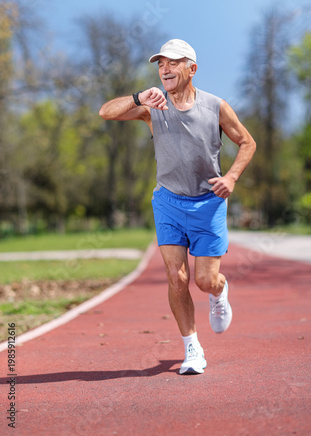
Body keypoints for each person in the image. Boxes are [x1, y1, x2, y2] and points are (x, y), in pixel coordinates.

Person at [99, 39, 256, 375]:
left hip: (208, 203)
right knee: (175, 276)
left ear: (191, 69)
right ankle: (192, 349)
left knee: (204, 280)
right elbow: (105, 112)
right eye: (160, 64)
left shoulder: (216, 107)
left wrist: (231, 177)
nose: (165, 69)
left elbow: (247, 141)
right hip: (168, 201)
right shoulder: (153, 107)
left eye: (173, 62)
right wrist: (139, 97)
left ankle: (219, 290)